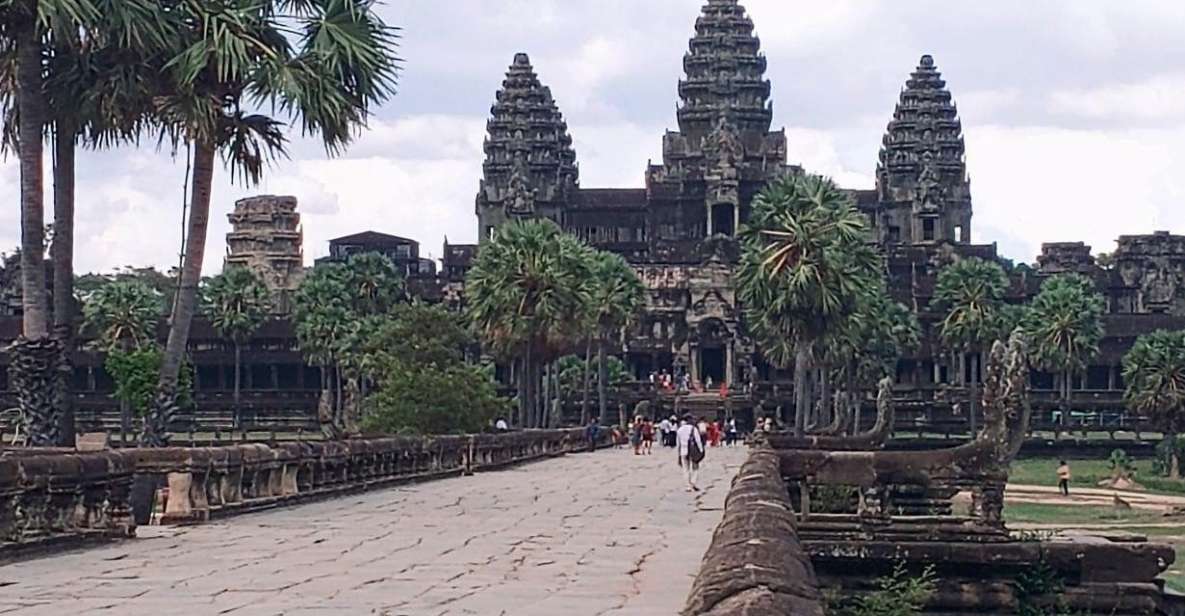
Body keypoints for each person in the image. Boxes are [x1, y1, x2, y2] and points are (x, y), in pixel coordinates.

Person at [676, 414, 705, 492]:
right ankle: (693, 482)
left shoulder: (679, 430)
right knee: (695, 468)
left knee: (685, 469)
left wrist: (678, 453)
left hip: (683, 451)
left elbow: (678, 444)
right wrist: (701, 450)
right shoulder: (693, 429)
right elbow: (698, 440)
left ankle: (687, 486)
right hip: (693, 451)